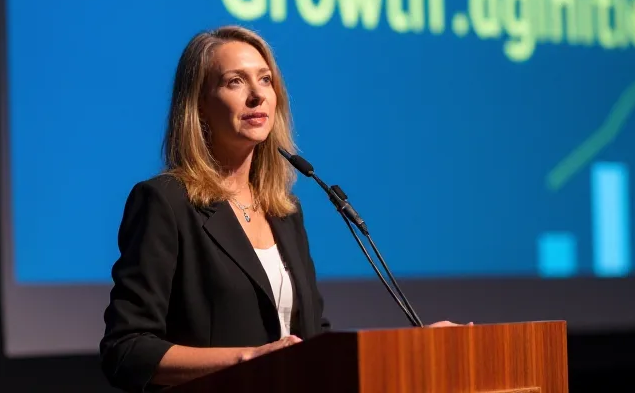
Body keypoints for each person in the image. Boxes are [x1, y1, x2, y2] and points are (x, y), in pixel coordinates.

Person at [99, 25, 462, 392]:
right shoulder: (166, 202)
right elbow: (127, 350)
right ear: (200, 105)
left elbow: (314, 341)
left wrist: (409, 348)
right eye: (235, 82)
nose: (257, 95)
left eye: (266, 80)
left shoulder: (284, 211)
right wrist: (250, 359)